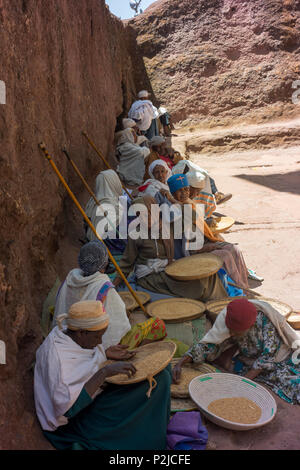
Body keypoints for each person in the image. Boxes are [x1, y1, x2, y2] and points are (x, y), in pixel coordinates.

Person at [35, 300, 172, 450]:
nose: (100, 341)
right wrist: (105, 372)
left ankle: (151, 426)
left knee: (163, 369)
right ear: (81, 333)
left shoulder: (69, 333)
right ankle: (146, 437)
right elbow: (69, 410)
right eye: (97, 337)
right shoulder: (59, 359)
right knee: (158, 382)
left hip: (93, 399)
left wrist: (106, 353)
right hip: (75, 421)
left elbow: (85, 365)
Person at [172, 298, 300, 404]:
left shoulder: (265, 321)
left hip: (278, 357)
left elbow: (267, 357)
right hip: (249, 358)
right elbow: (208, 345)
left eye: (236, 332)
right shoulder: (228, 317)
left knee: (291, 382)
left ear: (250, 326)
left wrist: (241, 383)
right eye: (230, 330)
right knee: (229, 365)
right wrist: (181, 363)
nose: (232, 333)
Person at [53, 240, 167, 350]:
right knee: (157, 324)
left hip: (70, 337)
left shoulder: (70, 277)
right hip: (97, 347)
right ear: (104, 263)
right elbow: (120, 327)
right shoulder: (103, 286)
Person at [113, 195, 227, 302]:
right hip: (152, 278)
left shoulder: (168, 227)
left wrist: (173, 200)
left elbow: (192, 215)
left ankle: (219, 306)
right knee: (199, 283)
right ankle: (212, 306)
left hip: (170, 269)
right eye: (139, 215)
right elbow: (126, 264)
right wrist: (113, 286)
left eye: (147, 213)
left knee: (210, 276)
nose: (143, 218)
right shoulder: (136, 234)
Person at [167, 174, 249, 289]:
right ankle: (239, 289)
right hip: (191, 251)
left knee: (234, 249)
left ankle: (244, 283)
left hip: (203, 243)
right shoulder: (173, 211)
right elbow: (187, 246)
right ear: (172, 194)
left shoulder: (189, 203)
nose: (184, 193)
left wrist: (208, 224)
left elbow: (200, 222)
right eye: (179, 191)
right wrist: (209, 247)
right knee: (225, 255)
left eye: (186, 189)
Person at [84, 169, 129, 255]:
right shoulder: (114, 205)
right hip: (110, 249)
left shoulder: (92, 201)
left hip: (91, 242)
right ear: (114, 183)